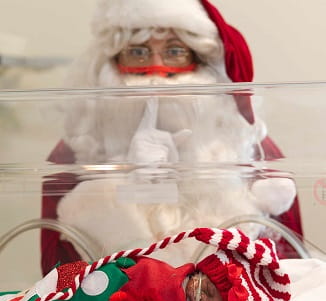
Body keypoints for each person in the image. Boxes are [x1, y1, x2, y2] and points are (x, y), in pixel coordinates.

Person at [41, 0, 302, 276]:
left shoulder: (253, 150)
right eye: (137, 52)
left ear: (200, 60)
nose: (156, 70)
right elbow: (61, 279)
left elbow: (286, 270)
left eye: (174, 51)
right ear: (113, 61)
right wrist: (127, 184)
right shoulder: (72, 153)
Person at [0, 228, 291, 301]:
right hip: (78, 283)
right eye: (210, 293)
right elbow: (136, 277)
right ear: (203, 271)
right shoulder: (163, 279)